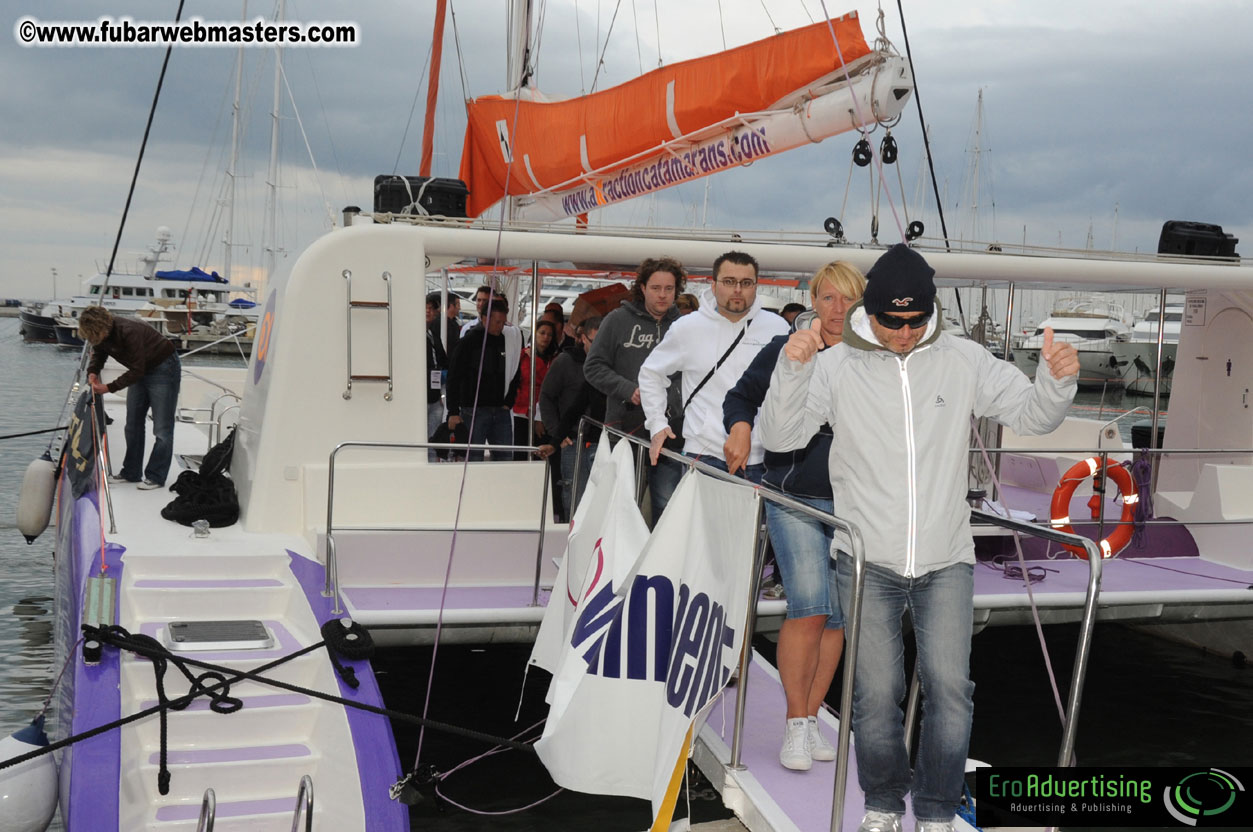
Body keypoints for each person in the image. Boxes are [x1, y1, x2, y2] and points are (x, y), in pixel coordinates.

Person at [759, 243, 1080, 832]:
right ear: (871, 313)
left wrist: (1056, 383)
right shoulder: (836, 365)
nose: (904, 333)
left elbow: (1033, 415)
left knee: (952, 693)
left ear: (929, 313)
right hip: (867, 559)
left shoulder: (963, 359)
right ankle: (882, 805)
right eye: (891, 322)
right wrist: (793, 366)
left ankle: (934, 811)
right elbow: (780, 435)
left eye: (915, 321)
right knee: (875, 698)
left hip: (946, 557)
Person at [723, 261, 865, 772]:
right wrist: (740, 428)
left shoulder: (868, 357)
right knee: (808, 605)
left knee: (838, 617)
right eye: (828, 298)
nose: (837, 310)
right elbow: (740, 395)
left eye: (847, 300)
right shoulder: (790, 346)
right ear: (813, 300)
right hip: (793, 496)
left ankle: (809, 717)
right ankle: (794, 724)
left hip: (854, 504)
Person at [639, 250, 789, 484]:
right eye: (729, 282)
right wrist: (657, 423)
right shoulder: (687, 328)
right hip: (704, 453)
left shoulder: (778, 328)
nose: (737, 289)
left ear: (755, 287)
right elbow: (651, 373)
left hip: (764, 457)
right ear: (713, 285)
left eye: (746, 283)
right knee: (702, 522)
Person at [584, 256, 686, 519]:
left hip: (672, 433)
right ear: (642, 288)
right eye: (656, 288)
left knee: (668, 509)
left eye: (669, 289)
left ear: (677, 290)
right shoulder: (617, 320)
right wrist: (628, 389)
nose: (662, 295)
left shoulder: (686, 326)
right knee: (619, 508)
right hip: (624, 430)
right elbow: (592, 367)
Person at [79, 305, 182, 489]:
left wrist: (108, 388)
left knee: (162, 428)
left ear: (102, 328)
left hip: (164, 368)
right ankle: (131, 472)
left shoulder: (128, 331)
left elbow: (137, 369)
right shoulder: (102, 334)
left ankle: (156, 476)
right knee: (132, 424)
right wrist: (93, 371)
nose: (94, 340)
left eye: (94, 335)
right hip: (141, 368)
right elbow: (100, 352)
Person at [539, 317, 606, 519]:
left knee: (600, 497)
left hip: (600, 440)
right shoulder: (565, 361)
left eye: (602, 341)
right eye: (594, 341)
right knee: (574, 496)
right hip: (571, 439)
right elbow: (546, 396)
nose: (598, 346)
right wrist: (556, 432)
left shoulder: (608, 363)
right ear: (582, 338)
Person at [447, 298, 523, 461]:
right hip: (473, 410)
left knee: (505, 458)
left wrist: (509, 401)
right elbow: (454, 377)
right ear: (484, 318)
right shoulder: (468, 341)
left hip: (501, 409)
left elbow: (515, 371)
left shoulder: (507, 340)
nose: (500, 326)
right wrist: (453, 411)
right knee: (472, 459)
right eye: (497, 322)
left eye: (503, 322)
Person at [425, 293, 450, 461]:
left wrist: (442, 393)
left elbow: (444, 362)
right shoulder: (410, 334)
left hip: (435, 397)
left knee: (433, 438)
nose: (428, 311)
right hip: (420, 396)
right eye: (426, 307)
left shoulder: (433, 336)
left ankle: (433, 465)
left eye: (432, 308)